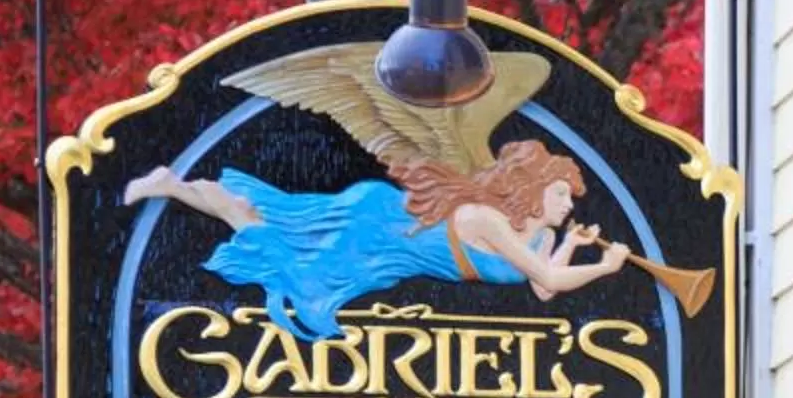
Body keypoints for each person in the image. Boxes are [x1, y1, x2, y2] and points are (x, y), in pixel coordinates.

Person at [124, 139, 633, 341]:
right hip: (379, 231)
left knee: (273, 229)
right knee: (281, 248)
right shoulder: (490, 219)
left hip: (389, 258)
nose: (569, 206)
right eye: (561, 193)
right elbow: (545, 276)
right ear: (532, 187)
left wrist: (575, 248)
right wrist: (607, 268)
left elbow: (544, 290)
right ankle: (174, 186)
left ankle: (176, 184)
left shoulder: (539, 234)